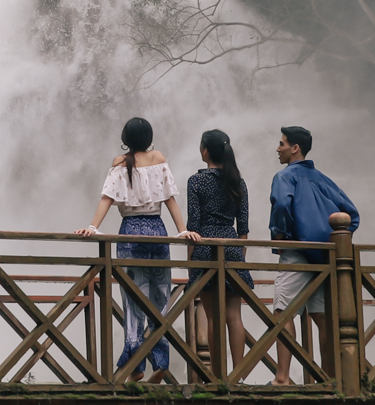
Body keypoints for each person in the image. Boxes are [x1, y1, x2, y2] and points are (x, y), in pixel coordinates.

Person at [78, 117, 197, 382]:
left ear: (126, 138)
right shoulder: (158, 158)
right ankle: (161, 360)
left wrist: (92, 227)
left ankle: (135, 365)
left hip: (130, 232)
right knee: (160, 296)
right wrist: (182, 231)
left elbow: (107, 199)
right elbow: (170, 200)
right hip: (157, 232)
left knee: (133, 300)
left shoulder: (120, 163)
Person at [267, 125, 359, 386]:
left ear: (295, 148)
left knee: (282, 312)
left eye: (282, 144)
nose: (278, 148)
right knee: (322, 317)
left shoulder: (284, 177)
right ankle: (331, 377)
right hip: (324, 256)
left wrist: (281, 235)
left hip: (296, 253)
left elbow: (283, 204)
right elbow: (352, 215)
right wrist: (333, 240)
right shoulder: (322, 179)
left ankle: (282, 377)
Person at [185, 129, 253, 377]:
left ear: (205, 151)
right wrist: (240, 259)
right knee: (234, 315)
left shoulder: (196, 181)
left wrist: (191, 263)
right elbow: (243, 229)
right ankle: (240, 375)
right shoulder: (238, 181)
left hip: (204, 249)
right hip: (232, 248)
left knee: (213, 317)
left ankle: (217, 376)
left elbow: (193, 227)